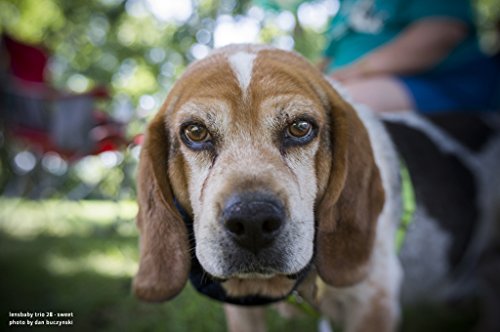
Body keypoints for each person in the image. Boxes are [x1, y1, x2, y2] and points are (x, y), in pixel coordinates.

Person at [320, 0, 500, 113]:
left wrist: (356, 71)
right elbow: (326, 59)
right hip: (349, 83)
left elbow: (440, 33)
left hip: (438, 82)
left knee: (338, 107)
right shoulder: (345, 5)